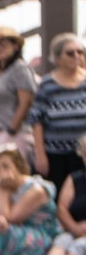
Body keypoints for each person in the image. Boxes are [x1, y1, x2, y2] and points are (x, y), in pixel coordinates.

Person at [31, 32, 86, 189]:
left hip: (83, 156)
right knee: (57, 195)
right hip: (54, 155)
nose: (76, 56)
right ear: (57, 58)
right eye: (70, 53)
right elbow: (36, 119)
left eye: (80, 52)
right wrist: (40, 155)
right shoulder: (47, 84)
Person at [0, 27, 37, 164]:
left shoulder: (20, 68)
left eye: (3, 43)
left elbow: (26, 101)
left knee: (11, 180)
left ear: (16, 46)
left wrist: (11, 131)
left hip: (9, 136)